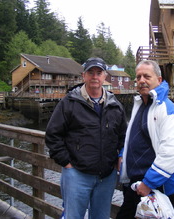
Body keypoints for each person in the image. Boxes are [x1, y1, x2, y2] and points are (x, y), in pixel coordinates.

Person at [45, 57, 127, 219]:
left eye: (99, 73)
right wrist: (67, 163)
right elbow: (53, 135)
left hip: (107, 176)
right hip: (77, 174)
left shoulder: (115, 105)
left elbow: (123, 136)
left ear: (105, 76)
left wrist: (120, 155)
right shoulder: (69, 102)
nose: (94, 77)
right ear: (84, 76)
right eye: (91, 72)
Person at [116, 59, 174, 219]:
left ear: (159, 80)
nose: (141, 81)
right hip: (134, 184)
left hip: (152, 184)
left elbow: (172, 151)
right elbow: (133, 136)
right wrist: (122, 154)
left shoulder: (167, 109)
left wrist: (149, 183)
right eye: (138, 77)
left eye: (147, 76)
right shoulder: (141, 106)